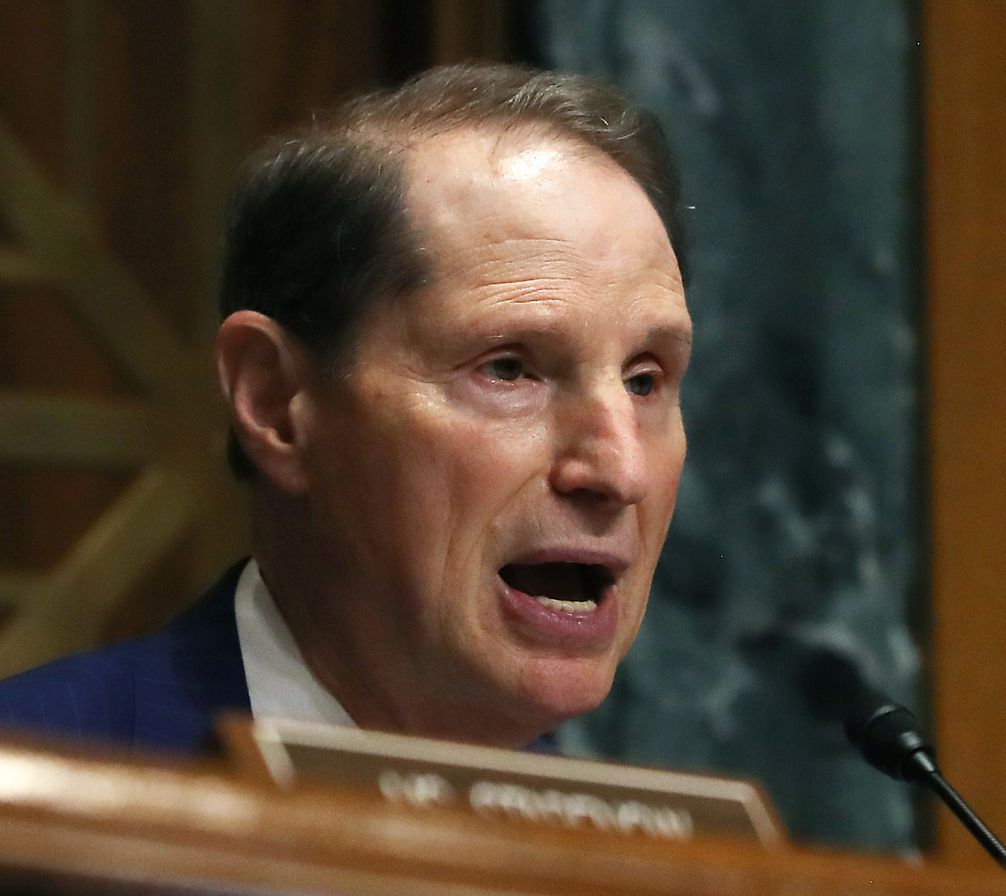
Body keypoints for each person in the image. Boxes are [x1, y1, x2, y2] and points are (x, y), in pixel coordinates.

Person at [0, 62, 692, 754]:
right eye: (509, 370)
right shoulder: (32, 787)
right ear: (276, 403)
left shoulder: (657, 857)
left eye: (643, 381)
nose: (620, 470)